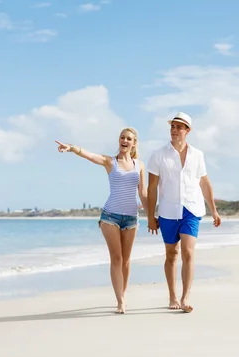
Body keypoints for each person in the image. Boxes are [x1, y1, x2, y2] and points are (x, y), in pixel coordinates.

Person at [55, 128, 148, 314]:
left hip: (131, 218)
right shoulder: (110, 162)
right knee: (117, 257)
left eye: (129, 139)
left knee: (126, 261)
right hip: (110, 216)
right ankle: (120, 301)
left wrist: (153, 215)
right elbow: (89, 155)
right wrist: (72, 147)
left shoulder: (140, 165)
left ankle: (123, 293)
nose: (124, 141)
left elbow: (142, 193)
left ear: (134, 143)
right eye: (122, 137)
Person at [146, 112, 221, 313]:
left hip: (192, 208)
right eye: (173, 126)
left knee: (188, 252)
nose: (175, 130)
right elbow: (151, 188)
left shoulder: (198, 155)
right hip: (168, 211)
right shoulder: (158, 155)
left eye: (180, 127)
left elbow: (204, 183)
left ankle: (185, 296)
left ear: (187, 131)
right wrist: (150, 217)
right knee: (171, 254)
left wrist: (213, 210)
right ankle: (172, 296)